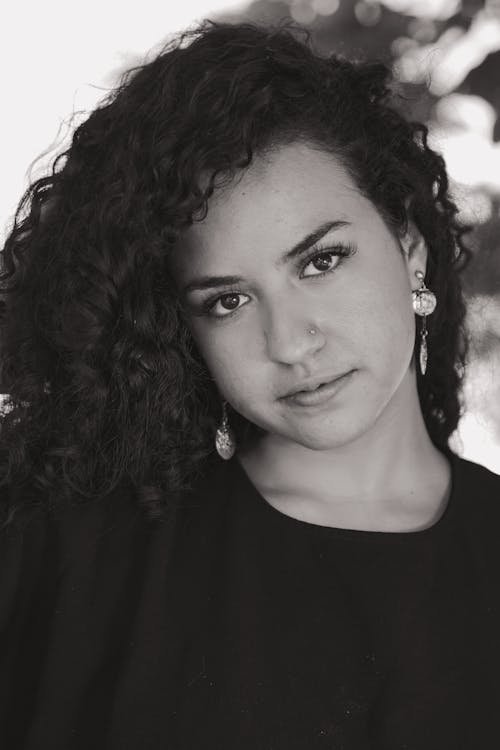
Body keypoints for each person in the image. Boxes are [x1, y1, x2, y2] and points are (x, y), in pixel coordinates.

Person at [0, 17, 499, 750]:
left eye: (321, 261)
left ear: (410, 250)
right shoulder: (72, 549)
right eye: (227, 300)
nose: (291, 342)